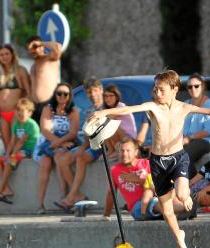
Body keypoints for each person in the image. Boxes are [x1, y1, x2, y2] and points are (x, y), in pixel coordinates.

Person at [89, 70, 210, 248]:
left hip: (177, 158)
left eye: (161, 90)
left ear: (174, 89)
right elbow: (127, 109)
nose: (157, 94)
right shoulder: (153, 107)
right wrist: (104, 112)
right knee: (166, 211)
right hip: (157, 163)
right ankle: (179, 237)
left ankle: (185, 196)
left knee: (182, 194)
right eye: (155, 90)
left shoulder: (184, 107)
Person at [105, 137, 193, 221]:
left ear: (136, 152)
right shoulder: (114, 170)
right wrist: (106, 215)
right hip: (137, 207)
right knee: (157, 203)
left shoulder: (147, 164)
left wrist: (141, 181)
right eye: (121, 150)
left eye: (128, 151)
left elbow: (162, 185)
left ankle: (180, 210)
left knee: (167, 197)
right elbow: (111, 194)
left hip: (156, 196)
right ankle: (183, 209)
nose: (124, 154)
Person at [53, 78, 105, 214]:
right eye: (89, 92)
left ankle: (70, 197)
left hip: (101, 147)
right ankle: (78, 195)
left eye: (94, 90)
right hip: (89, 144)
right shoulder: (88, 111)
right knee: (62, 159)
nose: (92, 94)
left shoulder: (106, 107)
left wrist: (84, 148)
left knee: (80, 157)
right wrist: (80, 146)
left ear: (100, 90)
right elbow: (87, 133)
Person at [0, 98, 40, 204]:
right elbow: (12, 141)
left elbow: (21, 143)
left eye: (22, 110)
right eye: (17, 110)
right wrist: (7, 154)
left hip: (29, 151)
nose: (19, 113)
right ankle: (6, 189)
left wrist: (12, 155)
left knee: (10, 160)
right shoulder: (16, 125)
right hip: (19, 150)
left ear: (29, 112)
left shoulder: (31, 124)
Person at [36, 83, 79, 213]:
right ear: (55, 95)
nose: (62, 96)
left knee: (59, 156)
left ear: (70, 96)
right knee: (45, 163)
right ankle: (40, 205)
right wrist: (58, 143)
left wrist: (60, 143)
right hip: (49, 141)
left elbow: (73, 133)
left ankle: (65, 197)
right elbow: (45, 130)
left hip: (66, 141)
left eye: (65, 94)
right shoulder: (48, 109)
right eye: (59, 93)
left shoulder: (73, 111)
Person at [183, 73, 210, 176]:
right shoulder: (186, 103)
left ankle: (194, 185)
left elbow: (209, 131)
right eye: (189, 87)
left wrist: (189, 138)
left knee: (184, 157)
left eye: (196, 86)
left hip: (205, 142)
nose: (193, 89)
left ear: (203, 86)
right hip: (186, 141)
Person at [0, 44, 31, 149]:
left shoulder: (20, 70)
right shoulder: (0, 73)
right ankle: (8, 163)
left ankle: (13, 164)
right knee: (6, 145)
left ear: (12, 55)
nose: (4, 57)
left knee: (16, 144)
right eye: (1, 55)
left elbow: (29, 93)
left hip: (15, 112)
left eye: (7, 54)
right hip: (2, 113)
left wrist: (22, 109)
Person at [27, 35, 62, 123]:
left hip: (48, 104)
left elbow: (58, 47)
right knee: (35, 136)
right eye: (30, 48)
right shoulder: (33, 66)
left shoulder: (50, 59)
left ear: (42, 46)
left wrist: (40, 43)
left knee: (48, 135)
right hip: (34, 107)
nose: (32, 50)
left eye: (34, 47)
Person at [102, 84, 137, 158]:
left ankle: (117, 150)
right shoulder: (106, 109)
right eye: (106, 96)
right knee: (102, 128)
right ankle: (111, 150)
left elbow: (106, 118)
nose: (108, 98)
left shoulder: (120, 106)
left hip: (129, 139)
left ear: (117, 97)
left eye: (111, 96)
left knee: (111, 125)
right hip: (120, 137)